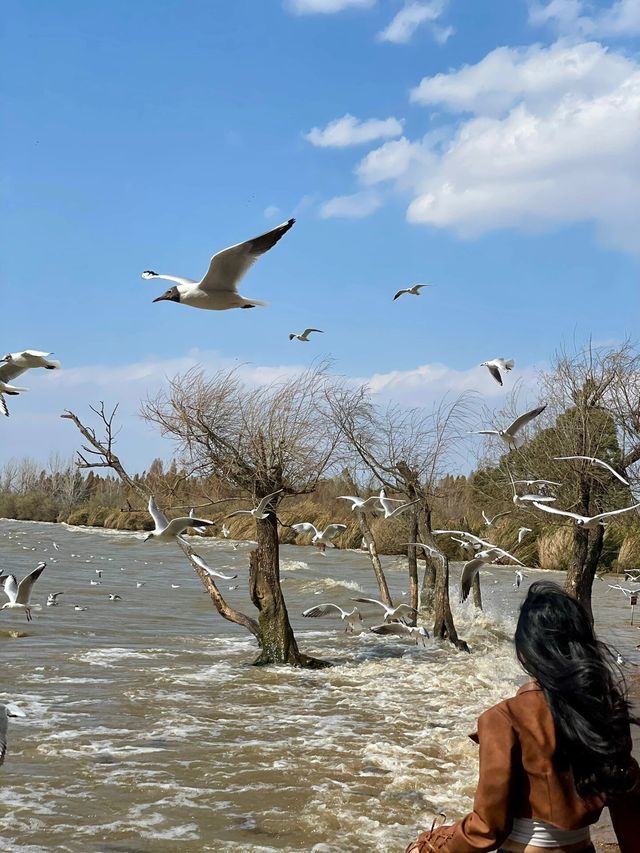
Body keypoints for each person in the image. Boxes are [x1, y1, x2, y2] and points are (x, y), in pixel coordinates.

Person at [406, 581, 640, 853]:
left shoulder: (503, 719)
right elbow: (630, 811)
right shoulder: (604, 711)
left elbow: (488, 828)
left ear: (524, 653)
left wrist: (431, 846)